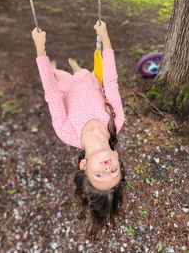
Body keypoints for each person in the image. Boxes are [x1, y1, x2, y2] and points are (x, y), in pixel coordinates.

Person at [32, 21, 126, 238]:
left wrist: (40, 48)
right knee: (80, 71)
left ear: (83, 165)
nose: (107, 168)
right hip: (89, 80)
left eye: (99, 174)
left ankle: (56, 67)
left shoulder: (66, 132)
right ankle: (74, 66)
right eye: (114, 171)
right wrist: (105, 34)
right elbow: (111, 81)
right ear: (117, 157)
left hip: (64, 88)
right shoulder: (116, 121)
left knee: (54, 73)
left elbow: (52, 94)